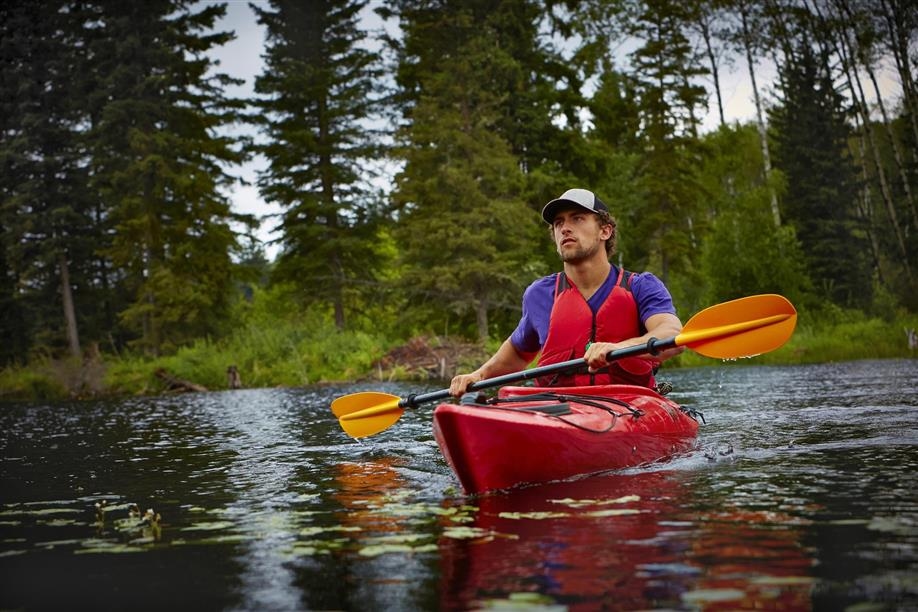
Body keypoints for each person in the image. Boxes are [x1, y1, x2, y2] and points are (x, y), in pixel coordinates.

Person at [449, 188, 683, 397]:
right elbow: (518, 354)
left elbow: (672, 336)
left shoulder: (641, 286)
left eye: (578, 218)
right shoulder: (539, 294)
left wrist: (618, 348)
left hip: (629, 404)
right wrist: (477, 376)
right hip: (557, 406)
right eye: (558, 223)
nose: (565, 228)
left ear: (605, 231)